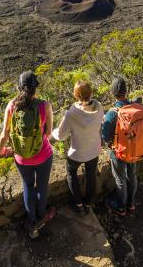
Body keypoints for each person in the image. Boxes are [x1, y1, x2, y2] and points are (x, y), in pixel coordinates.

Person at [0, 71, 55, 239]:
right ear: (36, 88)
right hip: (43, 155)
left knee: (28, 186)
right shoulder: (45, 105)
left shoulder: (11, 106)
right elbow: (49, 133)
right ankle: (41, 217)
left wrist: (0, 150)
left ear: (19, 88)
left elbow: (5, 133)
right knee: (42, 186)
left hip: (21, 158)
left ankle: (31, 221)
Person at [51, 80, 104, 214]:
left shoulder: (71, 114)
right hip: (93, 150)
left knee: (71, 172)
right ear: (91, 93)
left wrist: (52, 132)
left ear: (76, 96)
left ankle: (79, 205)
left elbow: (61, 135)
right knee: (91, 176)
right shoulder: (99, 107)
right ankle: (88, 204)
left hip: (77, 153)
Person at [102, 76, 143, 216]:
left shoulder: (112, 113)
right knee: (132, 175)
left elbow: (105, 136)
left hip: (119, 152)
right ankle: (131, 203)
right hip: (135, 149)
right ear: (126, 91)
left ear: (112, 93)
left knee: (120, 179)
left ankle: (121, 207)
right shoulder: (135, 107)